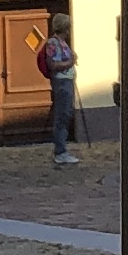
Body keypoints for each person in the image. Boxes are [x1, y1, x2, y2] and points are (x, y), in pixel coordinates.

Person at [37, 15, 82, 164]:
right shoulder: (53, 43)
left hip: (67, 82)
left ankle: (62, 150)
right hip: (62, 83)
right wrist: (71, 62)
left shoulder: (61, 43)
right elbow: (54, 65)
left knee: (65, 114)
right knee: (62, 115)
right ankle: (60, 152)